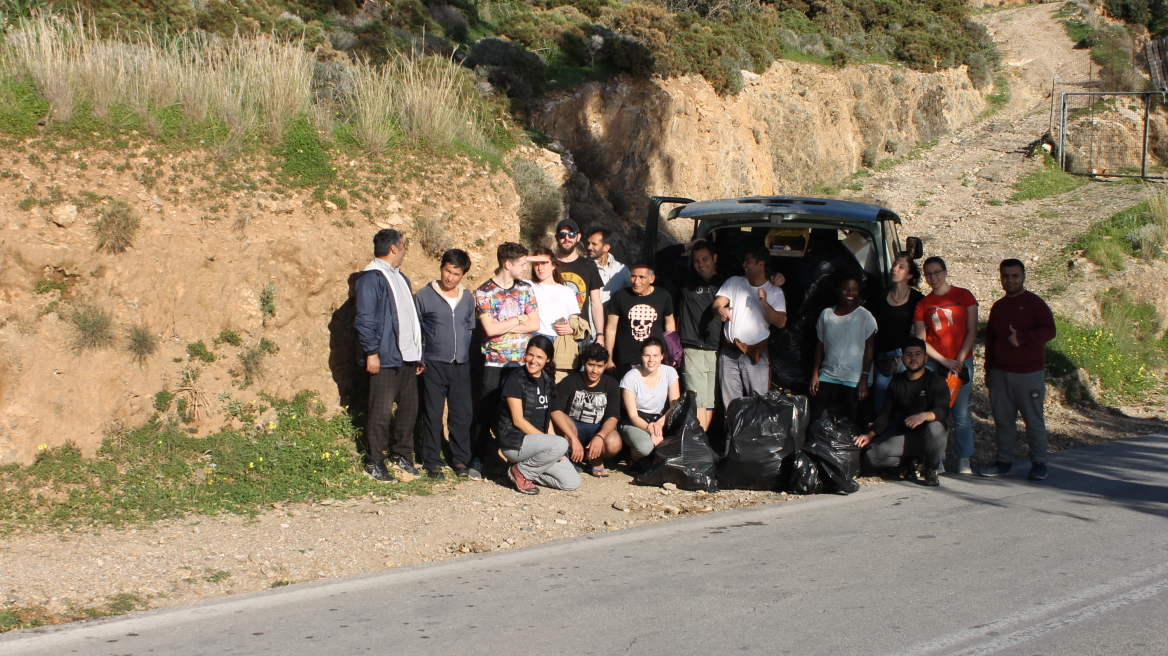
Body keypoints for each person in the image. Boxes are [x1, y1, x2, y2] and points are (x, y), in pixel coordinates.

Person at [354, 229, 424, 481]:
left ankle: (402, 455)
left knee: (408, 410)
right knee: (380, 413)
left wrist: (418, 355)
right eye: (403, 245)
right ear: (394, 248)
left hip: (406, 358)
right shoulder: (372, 278)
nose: (405, 250)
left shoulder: (401, 278)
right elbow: (364, 319)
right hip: (383, 359)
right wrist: (371, 352)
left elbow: (410, 319)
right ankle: (374, 461)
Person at [979, 259, 1057, 481]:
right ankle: (1004, 462)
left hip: (1028, 374)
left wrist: (1023, 338)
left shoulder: (1034, 303)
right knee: (1003, 421)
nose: (1010, 280)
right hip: (1000, 374)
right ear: (1000, 278)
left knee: (1033, 420)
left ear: (1023, 276)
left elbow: (1050, 331)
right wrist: (989, 371)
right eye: (1006, 276)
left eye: (1015, 275)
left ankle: (1039, 462)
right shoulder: (999, 307)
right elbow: (991, 341)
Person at [472, 242, 540, 480]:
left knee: (520, 414)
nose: (525, 268)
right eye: (522, 264)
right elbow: (490, 329)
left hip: (521, 364)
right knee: (487, 412)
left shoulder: (526, 289)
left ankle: (521, 463)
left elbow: (535, 324)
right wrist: (519, 318)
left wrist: (507, 325)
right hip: (494, 363)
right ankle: (478, 460)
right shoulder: (484, 292)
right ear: (507, 264)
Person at [854, 337, 949, 487]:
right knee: (873, 454)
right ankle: (908, 462)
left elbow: (943, 410)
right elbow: (887, 413)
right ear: (902, 358)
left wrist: (924, 416)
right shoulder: (896, 382)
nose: (913, 358)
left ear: (925, 358)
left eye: (918, 354)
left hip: (928, 436)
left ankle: (930, 469)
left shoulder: (935, 380)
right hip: (906, 436)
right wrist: (870, 434)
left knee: (936, 428)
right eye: (909, 354)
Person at [414, 249, 475, 480]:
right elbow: (416, 329)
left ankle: (460, 459)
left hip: (461, 364)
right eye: (447, 271)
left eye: (456, 273)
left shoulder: (468, 298)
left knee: (461, 414)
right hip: (433, 363)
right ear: (441, 268)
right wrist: (420, 357)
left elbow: (470, 327)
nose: (449, 277)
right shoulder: (424, 295)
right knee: (432, 412)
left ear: (463, 275)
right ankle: (431, 460)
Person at [914, 256, 978, 475]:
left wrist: (958, 360)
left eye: (937, 272)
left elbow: (972, 330)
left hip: (961, 361)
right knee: (937, 412)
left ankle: (964, 459)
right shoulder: (923, 304)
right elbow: (921, 338)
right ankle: (937, 458)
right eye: (929, 274)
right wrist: (943, 361)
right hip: (936, 364)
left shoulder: (964, 295)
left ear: (945, 271)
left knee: (960, 413)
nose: (934, 278)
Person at [654, 239, 725, 430]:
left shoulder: (727, 282)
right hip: (693, 348)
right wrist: (689, 246)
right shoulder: (686, 279)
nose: (701, 264)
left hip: (717, 349)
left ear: (715, 258)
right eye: (696, 260)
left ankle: (702, 443)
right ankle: (698, 446)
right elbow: (661, 257)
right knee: (698, 402)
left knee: (709, 402)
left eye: (705, 259)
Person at [497, 335, 581, 494]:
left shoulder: (547, 379)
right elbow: (518, 421)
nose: (533, 360)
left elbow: (547, 419)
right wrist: (552, 443)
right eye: (530, 354)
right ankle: (523, 472)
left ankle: (522, 472)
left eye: (539, 357)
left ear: (548, 359)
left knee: (572, 482)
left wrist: (553, 448)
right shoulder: (515, 379)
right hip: (515, 443)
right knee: (561, 443)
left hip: (540, 445)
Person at [711, 245, 787, 403]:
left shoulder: (774, 291)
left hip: (755, 354)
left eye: (748, 261)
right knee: (731, 405)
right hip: (730, 352)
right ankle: (732, 428)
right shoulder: (734, 282)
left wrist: (764, 303)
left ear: (761, 264)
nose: (744, 265)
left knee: (758, 403)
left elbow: (781, 323)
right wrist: (721, 310)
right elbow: (717, 304)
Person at [810, 272, 877, 423]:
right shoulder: (826, 314)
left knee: (856, 418)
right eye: (845, 288)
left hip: (854, 377)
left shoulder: (865, 316)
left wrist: (864, 380)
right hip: (829, 373)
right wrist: (815, 374)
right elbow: (820, 345)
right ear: (838, 290)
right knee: (814, 413)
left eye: (854, 289)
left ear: (859, 291)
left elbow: (869, 351)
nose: (850, 293)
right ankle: (811, 445)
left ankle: (858, 447)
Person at [550, 342, 622, 477]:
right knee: (557, 421)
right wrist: (573, 438)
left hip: (598, 428)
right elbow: (556, 410)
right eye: (591, 365)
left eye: (599, 366)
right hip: (575, 428)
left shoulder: (611, 384)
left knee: (614, 443)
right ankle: (569, 456)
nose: (595, 371)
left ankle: (594, 457)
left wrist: (600, 436)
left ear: (605, 365)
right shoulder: (570, 381)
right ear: (584, 363)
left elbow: (613, 416)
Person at [867, 252, 925, 412]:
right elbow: (870, 329)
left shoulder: (917, 299)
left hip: (904, 356)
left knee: (905, 400)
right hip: (882, 356)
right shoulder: (880, 296)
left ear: (910, 274)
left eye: (901, 267)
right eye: (894, 265)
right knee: (881, 398)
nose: (895, 269)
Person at [604, 262, 676, 380]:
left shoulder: (663, 296)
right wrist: (609, 358)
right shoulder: (620, 296)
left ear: (651, 279)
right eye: (633, 276)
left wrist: (671, 352)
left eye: (642, 277)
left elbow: (669, 324)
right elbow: (611, 328)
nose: (636, 281)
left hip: (654, 359)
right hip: (626, 360)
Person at [528, 247, 589, 382]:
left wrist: (571, 328)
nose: (540, 267)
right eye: (536, 264)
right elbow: (504, 270)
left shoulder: (567, 291)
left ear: (553, 265)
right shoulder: (529, 286)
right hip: (537, 339)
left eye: (544, 263)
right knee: (535, 383)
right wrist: (530, 258)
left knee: (559, 385)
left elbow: (574, 319)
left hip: (562, 342)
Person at [619, 337, 681, 464]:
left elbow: (674, 405)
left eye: (655, 355)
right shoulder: (630, 378)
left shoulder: (670, 372)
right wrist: (651, 429)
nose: (651, 360)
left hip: (662, 418)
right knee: (645, 448)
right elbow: (633, 415)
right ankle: (633, 458)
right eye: (647, 355)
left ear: (662, 356)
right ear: (641, 356)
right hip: (637, 421)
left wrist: (659, 424)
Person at [553, 219, 605, 346]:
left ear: (578, 237)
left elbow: (596, 303)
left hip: (580, 334)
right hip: (552, 332)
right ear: (557, 238)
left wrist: (600, 335)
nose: (567, 238)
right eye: (562, 235)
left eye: (571, 234)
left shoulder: (589, 266)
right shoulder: (549, 264)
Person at [585, 227, 631, 312]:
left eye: (594, 244)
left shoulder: (621, 270)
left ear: (606, 247)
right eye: (588, 243)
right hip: (590, 322)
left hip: (615, 322)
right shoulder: (583, 268)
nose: (589, 247)